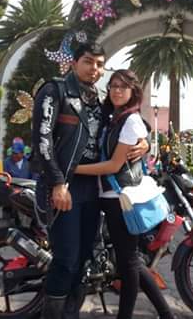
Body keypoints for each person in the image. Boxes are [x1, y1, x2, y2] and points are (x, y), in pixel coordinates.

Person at [32, 42, 148, 319]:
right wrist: (58, 182)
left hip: (92, 190)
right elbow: (42, 140)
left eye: (99, 64)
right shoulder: (55, 91)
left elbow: (127, 123)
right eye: (88, 61)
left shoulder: (98, 99)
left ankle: (70, 313)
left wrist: (146, 143)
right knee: (66, 260)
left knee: (84, 259)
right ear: (73, 63)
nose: (94, 69)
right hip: (63, 187)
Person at [74, 69, 174, 319]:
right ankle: (166, 314)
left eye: (123, 87)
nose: (117, 90)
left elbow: (113, 165)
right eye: (113, 86)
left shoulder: (130, 120)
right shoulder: (114, 117)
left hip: (121, 200)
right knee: (132, 262)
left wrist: (73, 170)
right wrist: (147, 142)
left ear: (133, 92)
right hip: (109, 199)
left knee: (128, 264)